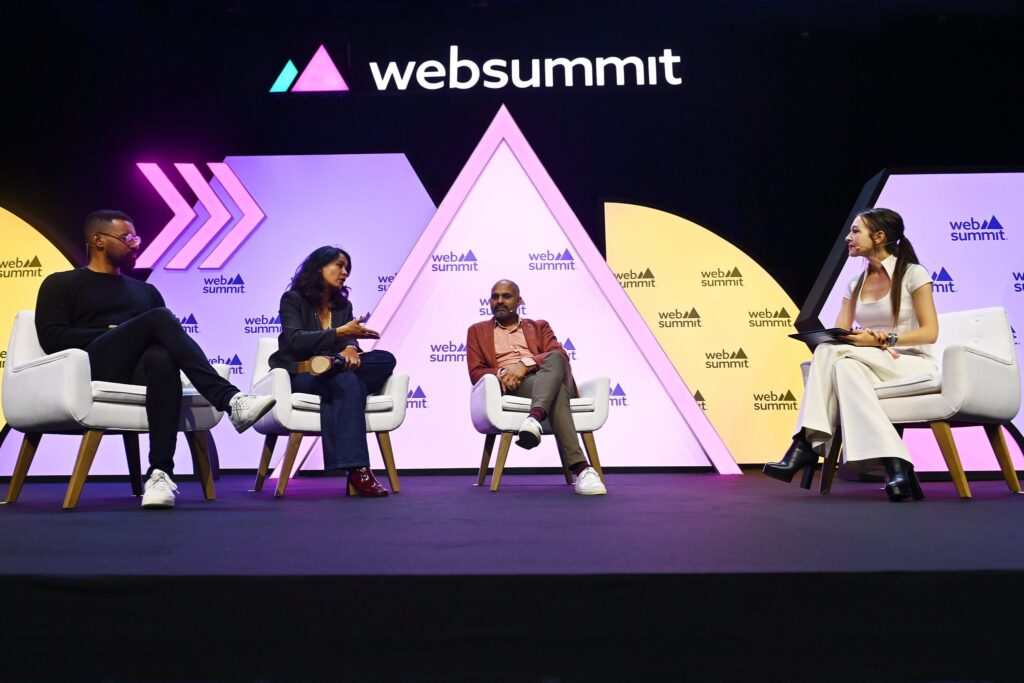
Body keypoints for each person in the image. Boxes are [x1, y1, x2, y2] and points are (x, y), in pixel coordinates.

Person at [35, 210, 277, 509]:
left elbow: (163, 340)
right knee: (160, 319)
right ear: (98, 240)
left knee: (162, 358)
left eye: (136, 238)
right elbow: (52, 338)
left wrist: (130, 333)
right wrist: (109, 331)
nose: (135, 244)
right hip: (91, 368)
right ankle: (230, 399)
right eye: (127, 238)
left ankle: (160, 474)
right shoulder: (62, 284)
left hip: (140, 371)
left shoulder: (145, 291)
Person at [763, 208, 939, 501]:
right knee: (840, 364)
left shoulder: (913, 274)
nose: (848, 237)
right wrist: (848, 340)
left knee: (832, 353)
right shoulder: (854, 283)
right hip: (868, 363)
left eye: (856, 231)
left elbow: (930, 332)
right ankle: (896, 466)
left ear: (879, 236)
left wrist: (886, 339)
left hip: (910, 362)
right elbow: (841, 334)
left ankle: (805, 444)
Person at [268, 246, 397, 497]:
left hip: (333, 373)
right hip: (303, 375)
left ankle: (333, 363)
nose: (344, 272)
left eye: (347, 268)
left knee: (384, 360)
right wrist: (341, 334)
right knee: (349, 383)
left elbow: (350, 342)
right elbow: (295, 340)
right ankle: (359, 472)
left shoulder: (342, 305)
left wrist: (349, 348)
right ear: (319, 267)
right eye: (339, 265)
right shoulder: (293, 299)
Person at [465, 279, 606, 495]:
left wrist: (524, 364)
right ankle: (583, 469)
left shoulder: (539, 326)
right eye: (495, 297)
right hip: (516, 385)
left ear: (519, 300)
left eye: (506, 296)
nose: (500, 301)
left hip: (541, 375)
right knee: (555, 389)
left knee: (557, 356)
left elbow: (560, 356)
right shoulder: (477, 331)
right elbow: (476, 372)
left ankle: (534, 418)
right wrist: (504, 373)